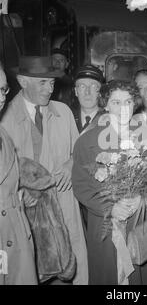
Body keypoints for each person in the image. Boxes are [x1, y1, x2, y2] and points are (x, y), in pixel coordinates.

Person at [72, 80, 147, 285]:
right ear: (105, 105)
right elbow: (82, 186)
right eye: (116, 102)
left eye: (128, 102)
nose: (123, 108)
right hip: (106, 225)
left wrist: (142, 199)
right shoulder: (87, 141)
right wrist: (110, 207)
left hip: (142, 222)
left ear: (135, 104)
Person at [0, 56, 88, 284]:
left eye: (52, 83)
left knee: (69, 268)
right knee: (29, 269)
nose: (49, 89)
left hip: (63, 203)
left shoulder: (63, 111)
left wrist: (71, 163)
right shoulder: (4, 118)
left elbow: (80, 153)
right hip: (24, 211)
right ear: (22, 81)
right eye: (42, 83)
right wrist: (20, 189)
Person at [0, 67, 37, 285]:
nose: (1, 98)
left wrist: (16, 191)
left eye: (3, 89)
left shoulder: (3, 134)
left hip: (14, 235)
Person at [73, 64, 105, 135]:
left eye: (93, 86)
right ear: (76, 91)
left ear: (100, 91)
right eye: (82, 86)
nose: (87, 92)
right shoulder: (68, 118)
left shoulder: (109, 120)